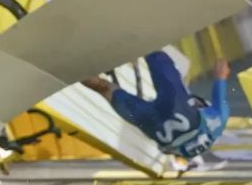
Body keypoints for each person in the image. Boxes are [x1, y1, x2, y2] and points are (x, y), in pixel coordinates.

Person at [80, 51, 229, 162]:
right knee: (105, 89)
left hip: (183, 115)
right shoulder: (187, 150)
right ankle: (71, 67)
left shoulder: (219, 121)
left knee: (155, 55)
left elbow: (221, 76)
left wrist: (220, 70)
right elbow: (177, 156)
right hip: (156, 129)